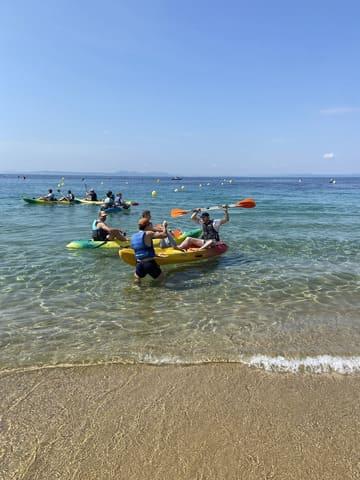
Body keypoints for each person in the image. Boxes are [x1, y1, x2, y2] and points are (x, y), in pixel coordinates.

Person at [131, 217, 169, 282]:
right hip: (149, 263)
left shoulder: (133, 236)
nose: (152, 225)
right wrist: (164, 226)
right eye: (151, 224)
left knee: (137, 278)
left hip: (139, 264)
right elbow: (164, 235)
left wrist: (156, 255)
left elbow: (140, 249)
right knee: (162, 280)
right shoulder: (148, 233)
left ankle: (137, 289)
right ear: (147, 225)